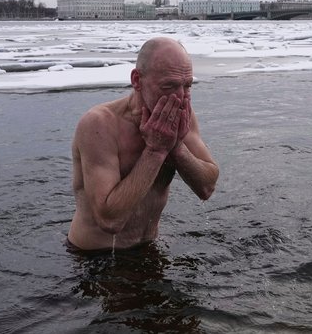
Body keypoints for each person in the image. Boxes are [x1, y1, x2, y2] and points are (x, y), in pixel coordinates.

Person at [68, 37, 219, 251]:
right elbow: (110, 220)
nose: (181, 98)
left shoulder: (182, 113)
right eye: (169, 86)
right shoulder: (99, 124)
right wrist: (156, 151)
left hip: (148, 248)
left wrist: (175, 147)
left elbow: (207, 187)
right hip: (94, 258)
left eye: (187, 86)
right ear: (137, 80)